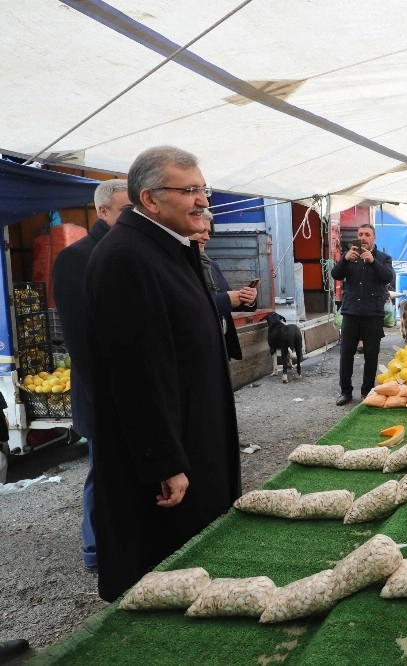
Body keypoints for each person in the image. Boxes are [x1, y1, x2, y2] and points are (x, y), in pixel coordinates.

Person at [84, 146, 242, 602]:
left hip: (194, 436)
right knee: (162, 571)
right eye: (189, 190)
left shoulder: (169, 249)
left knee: (198, 560)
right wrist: (163, 461)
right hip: (168, 461)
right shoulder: (126, 258)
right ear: (150, 200)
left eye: (202, 189)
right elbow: (137, 373)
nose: (202, 201)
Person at [52, 178, 130, 572]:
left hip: (132, 393)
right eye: (126, 211)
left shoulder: (133, 251)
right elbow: (81, 344)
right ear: (103, 212)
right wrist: (108, 399)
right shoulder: (76, 258)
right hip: (103, 394)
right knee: (103, 471)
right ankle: (95, 548)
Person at [330, 223, 395, 406]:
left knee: (371, 355)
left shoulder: (383, 258)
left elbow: (388, 278)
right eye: (360, 234)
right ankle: (345, 391)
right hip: (351, 312)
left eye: (367, 234)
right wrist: (345, 259)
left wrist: (373, 262)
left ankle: (367, 391)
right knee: (346, 354)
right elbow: (336, 274)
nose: (363, 237)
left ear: (374, 237)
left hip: (373, 313)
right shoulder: (350, 256)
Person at [188, 210, 258, 360]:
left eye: (208, 231)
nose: (207, 237)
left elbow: (227, 296)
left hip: (219, 346)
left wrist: (247, 299)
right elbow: (188, 308)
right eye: (202, 231)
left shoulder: (211, 264)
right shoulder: (179, 266)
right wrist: (226, 299)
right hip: (198, 349)